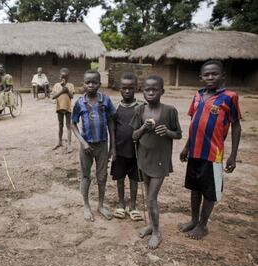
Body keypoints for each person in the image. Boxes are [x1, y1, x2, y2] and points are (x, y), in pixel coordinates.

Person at [178, 60, 241, 240]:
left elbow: (236, 125)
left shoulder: (230, 97)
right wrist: (186, 147)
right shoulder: (197, 96)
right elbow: (194, 124)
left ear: (223, 76)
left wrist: (233, 156)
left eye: (214, 74)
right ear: (201, 77)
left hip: (213, 154)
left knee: (209, 190)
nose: (210, 77)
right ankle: (193, 220)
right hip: (195, 152)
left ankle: (203, 225)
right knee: (195, 188)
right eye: (206, 74)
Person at [130, 75, 182, 249]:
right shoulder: (139, 110)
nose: (150, 92)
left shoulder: (170, 111)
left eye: (155, 89)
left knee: (151, 198)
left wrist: (167, 131)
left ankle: (157, 233)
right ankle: (151, 226)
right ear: (142, 91)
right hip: (144, 158)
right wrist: (144, 127)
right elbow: (134, 136)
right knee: (147, 193)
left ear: (162, 91)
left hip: (160, 160)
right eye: (147, 89)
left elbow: (178, 134)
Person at [72, 69, 116, 222]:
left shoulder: (106, 101)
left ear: (99, 83)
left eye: (94, 82)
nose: (91, 85)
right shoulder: (79, 102)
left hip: (102, 145)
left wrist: (113, 146)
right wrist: (82, 142)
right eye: (87, 82)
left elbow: (111, 122)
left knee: (102, 176)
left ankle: (101, 205)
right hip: (86, 147)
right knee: (85, 176)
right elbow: (73, 124)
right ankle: (86, 206)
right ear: (83, 84)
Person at [111, 72, 143, 221]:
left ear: (136, 88)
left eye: (131, 88)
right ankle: (121, 204)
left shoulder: (141, 107)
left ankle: (133, 206)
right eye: (124, 88)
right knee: (120, 179)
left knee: (134, 179)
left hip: (135, 151)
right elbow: (112, 129)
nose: (127, 91)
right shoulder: (116, 108)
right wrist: (113, 149)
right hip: (119, 150)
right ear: (120, 89)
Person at [51, 68, 75, 153]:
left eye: (65, 77)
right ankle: (59, 142)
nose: (63, 79)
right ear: (59, 77)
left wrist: (67, 90)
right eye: (62, 77)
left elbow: (71, 96)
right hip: (59, 108)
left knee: (68, 126)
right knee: (60, 125)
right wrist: (61, 91)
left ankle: (69, 144)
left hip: (68, 108)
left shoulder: (71, 85)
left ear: (68, 77)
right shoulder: (56, 85)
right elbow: (53, 97)